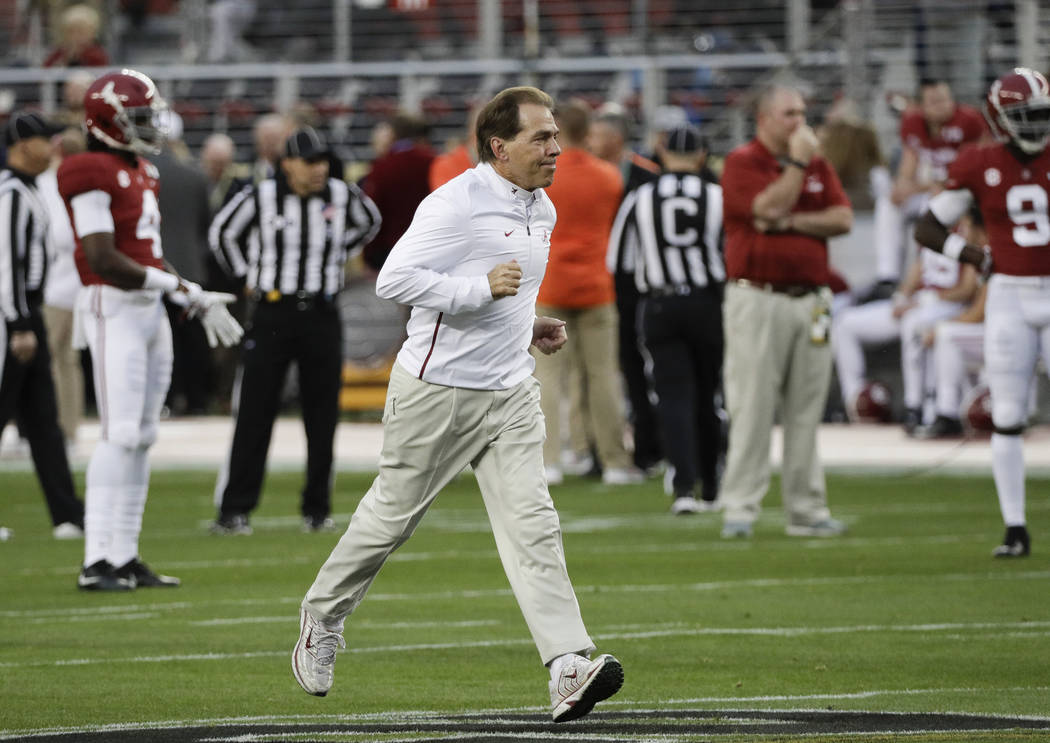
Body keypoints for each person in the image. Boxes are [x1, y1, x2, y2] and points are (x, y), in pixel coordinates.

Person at [291, 86, 624, 723]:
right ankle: (321, 616)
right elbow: (393, 279)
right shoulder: (455, 201)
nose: (556, 148)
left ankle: (568, 665)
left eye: (556, 135)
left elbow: (507, 292)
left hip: (510, 391)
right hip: (437, 392)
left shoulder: (541, 208)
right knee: (390, 520)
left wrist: (527, 323)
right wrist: (476, 289)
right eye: (541, 138)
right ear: (499, 146)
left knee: (535, 525)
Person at [59, 69, 243, 590]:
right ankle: (97, 559)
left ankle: (125, 553)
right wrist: (180, 290)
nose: (148, 127)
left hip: (145, 308)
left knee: (141, 437)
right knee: (118, 434)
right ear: (106, 120)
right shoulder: (86, 168)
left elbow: (147, 255)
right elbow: (102, 257)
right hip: (112, 303)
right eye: (137, 118)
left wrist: (189, 292)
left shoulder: (142, 169)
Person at [208, 126, 381, 535]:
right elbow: (222, 234)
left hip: (321, 313)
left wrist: (337, 250)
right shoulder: (260, 196)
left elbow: (368, 223)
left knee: (322, 415)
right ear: (287, 164)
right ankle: (235, 510)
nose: (319, 169)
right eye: (310, 162)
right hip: (272, 312)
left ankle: (317, 509)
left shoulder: (341, 195)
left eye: (323, 161)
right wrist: (246, 275)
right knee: (255, 412)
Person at [914, 66, 1050, 558]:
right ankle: (1015, 528)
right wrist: (976, 257)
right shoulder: (978, 162)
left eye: (1040, 114)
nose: (1036, 125)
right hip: (1010, 294)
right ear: (1000, 119)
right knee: (1008, 413)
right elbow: (927, 229)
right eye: (1025, 116)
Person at [718, 85, 853, 540]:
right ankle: (740, 507)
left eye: (802, 112)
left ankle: (807, 509)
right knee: (752, 406)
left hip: (810, 298)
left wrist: (791, 222)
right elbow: (763, 209)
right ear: (765, 118)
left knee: (805, 410)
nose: (800, 121)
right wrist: (796, 166)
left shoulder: (819, 163)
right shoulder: (742, 162)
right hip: (759, 297)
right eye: (789, 113)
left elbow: (842, 218)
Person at [607, 124, 725, 514]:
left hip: (659, 304)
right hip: (708, 303)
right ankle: (711, 484)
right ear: (702, 156)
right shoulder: (716, 196)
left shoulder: (640, 197)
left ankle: (684, 488)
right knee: (708, 394)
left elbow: (619, 262)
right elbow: (731, 254)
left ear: (661, 155)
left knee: (673, 396)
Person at [535, 100, 642, 486]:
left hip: (552, 282)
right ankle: (614, 460)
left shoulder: (546, 174)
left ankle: (548, 461)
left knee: (547, 376)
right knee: (603, 376)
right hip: (597, 285)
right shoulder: (608, 176)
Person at [0, 111, 85, 539]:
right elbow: (6, 267)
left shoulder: (30, 190)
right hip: (11, 315)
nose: (50, 146)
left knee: (43, 418)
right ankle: (68, 512)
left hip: (28, 310)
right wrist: (18, 324)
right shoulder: (11, 193)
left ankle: (67, 513)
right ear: (20, 145)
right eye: (42, 139)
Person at [832, 244, 979, 431]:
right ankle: (854, 401)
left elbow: (968, 288)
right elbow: (918, 266)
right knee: (845, 323)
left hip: (947, 305)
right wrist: (902, 297)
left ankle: (914, 405)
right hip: (920, 302)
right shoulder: (931, 225)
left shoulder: (969, 232)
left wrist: (924, 301)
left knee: (912, 324)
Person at [591, 107, 663, 472]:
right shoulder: (583, 175)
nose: (590, 141)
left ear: (615, 139)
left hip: (637, 287)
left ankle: (650, 446)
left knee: (638, 367)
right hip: (595, 285)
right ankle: (598, 450)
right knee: (599, 370)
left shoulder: (648, 177)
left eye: (598, 134)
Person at [874, 80, 985, 290]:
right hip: (930, 189)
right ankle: (887, 277)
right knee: (888, 204)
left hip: (961, 193)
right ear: (921, 106)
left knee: (932, 206)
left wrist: (919, 187)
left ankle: (926, 276)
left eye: (945, 99)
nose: (942, 106)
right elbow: (908, 166)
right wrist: (901, 188)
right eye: (934, 102)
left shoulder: (968, 120)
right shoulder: (913, 122)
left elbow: (969, 172)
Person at [39, 127, 87, 447]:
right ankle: (68, 427)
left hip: (56, 285)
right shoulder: (88, 181)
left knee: (52, 362)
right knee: (68, 362)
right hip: (80, 284)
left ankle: (54, 427)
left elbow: (58, 235)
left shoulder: (51, 183)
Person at [361, 113, 435, 270]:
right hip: (429, 246)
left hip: (390, 250)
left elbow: (372, 209)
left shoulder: (383, 166)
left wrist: (369, 253)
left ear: (393, 134)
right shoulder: (434, 161)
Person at [43, 4, 110, 68]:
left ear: (91, 32)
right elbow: (45, 73)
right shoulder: (59, 53)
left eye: (81, 31)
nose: (75, 36)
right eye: (71, 31)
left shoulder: (97, 54)